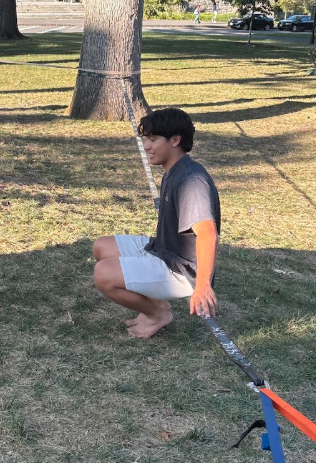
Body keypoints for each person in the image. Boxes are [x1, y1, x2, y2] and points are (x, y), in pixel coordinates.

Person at [92, 108, 220, 339]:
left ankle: (157, 315)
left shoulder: (192, 180)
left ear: (175, 140)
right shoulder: (173, 170)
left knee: (104, 274)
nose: (146, 146)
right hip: (162, 249)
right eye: (146, 139)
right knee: (102, 246)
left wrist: (202, 285)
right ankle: (158, 304)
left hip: (181, 270)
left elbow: (207, 233)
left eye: (153, 139)